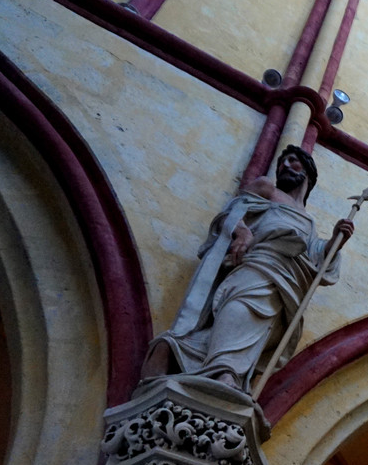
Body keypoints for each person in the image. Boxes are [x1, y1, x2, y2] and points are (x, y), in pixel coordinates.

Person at [143, 146, 354, 392]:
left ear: (308, 171)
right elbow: (233, 211)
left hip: (286, 284)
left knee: (254, 326)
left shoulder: (309, 221)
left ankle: (190, 356)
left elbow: (315, 258)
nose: (284, 166)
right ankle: (222, 371)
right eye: (282, 162)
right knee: (239, 307)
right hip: (258, 263)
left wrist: (335, 241)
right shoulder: (267, 189)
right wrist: (242, 231)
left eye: (292, 161)